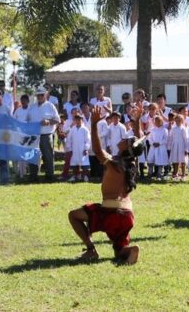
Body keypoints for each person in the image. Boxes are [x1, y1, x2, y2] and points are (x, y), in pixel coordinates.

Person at [67, 106, 141, 265]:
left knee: (74, 215)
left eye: (125, 140)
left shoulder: (115, 163)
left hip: (111, 213)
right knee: (117, 251)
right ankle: (128, 251)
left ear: (126, 148)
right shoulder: (132, 164)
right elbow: (137, 145)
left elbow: (97, 150)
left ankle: (91, 250)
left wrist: (93, 124)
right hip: (127, 216)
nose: (122, 139)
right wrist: (138, 121)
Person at [27, 87, 60, 182]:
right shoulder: (32, 107)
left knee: (48, 156)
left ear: (45, 95)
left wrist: (48, 121)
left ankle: (50, 175)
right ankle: (33, 176)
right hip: (34, 135)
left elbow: (57, 120)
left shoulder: (50, 106)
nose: (40, 96)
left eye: (42, 94)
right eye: (38, 95)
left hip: (46, 135)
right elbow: (28, 120)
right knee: (33, 156)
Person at [66, 113, 91, 182]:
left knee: (84, 163)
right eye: (76, 120)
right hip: (74, 149)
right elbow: (69, 139)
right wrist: (70, 148)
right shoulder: (72, 129)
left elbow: (88, 140)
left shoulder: (85, 129)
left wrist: (86, 149)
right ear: (74, 121)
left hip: (82, 149)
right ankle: (74, 176)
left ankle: (85, 176)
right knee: (74, 163)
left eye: (79, 119)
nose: (77, 121)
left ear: (82, 120)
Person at [13, 94, 32, 180]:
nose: (23, 102)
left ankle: (28, 170)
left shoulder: (31, 110)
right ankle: (21, 173)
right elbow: (14, 121)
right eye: (22, 100)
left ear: (28, 101)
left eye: (25, 100)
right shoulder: (18, 110)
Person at [167, 113, 189, 181]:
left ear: (182, 121)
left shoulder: (183, 129)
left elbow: (186, 139)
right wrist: (169, 147)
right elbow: (170, 138)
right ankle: (175, 173)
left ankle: (183, 174)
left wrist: (186, 149)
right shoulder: (173, 129)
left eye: (179, 120)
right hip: (174, 146)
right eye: (176, 121)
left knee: (182, 160)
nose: (177, 122)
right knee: (175, 160)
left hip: (181, 146)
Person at [147, 115, 169, 180]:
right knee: (150, 160)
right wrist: (153, 143)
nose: (157, 122)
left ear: (162, 121)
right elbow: (149, 138)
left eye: (159, 121)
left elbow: (166, 139)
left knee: (160, 161)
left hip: (161, 148)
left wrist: (159, 143)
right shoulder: (152, 130)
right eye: (156, 121)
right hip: (153, 147)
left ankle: (159, 175)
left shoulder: (164, 130)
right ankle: (150, 174)